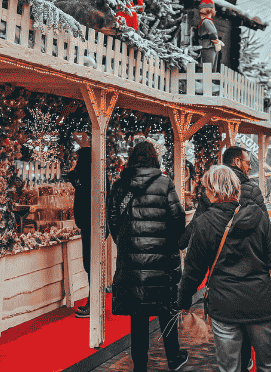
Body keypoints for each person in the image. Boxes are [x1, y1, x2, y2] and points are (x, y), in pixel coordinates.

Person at [178, 166, 271, 372]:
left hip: (224, 305)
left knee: (229, 368)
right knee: (266, 367)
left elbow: (193, 271)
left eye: (205, 189)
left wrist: (184, 302)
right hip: (260, 302)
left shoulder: (204, 223)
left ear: (212, 190)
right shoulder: (257, 216)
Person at [106, 138, 188, 372]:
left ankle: (139, 365)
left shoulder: (120, 186)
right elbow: (178, 220)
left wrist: (126, 243)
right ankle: (173, 357)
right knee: (166, 308)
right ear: (155, 158)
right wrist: (168, 242)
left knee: (138, 316)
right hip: (161, 261)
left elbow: (113, 220)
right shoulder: (164, 184)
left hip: (131, 262)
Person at [67, 147, 93, 317]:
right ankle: (94, 301)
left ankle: (92, 304)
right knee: (92, 264)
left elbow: (71, 176)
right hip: (94, 224)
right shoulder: (96, 173)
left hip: (89, 223)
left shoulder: (83, 175)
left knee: (90, 264)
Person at [195, 0, 224, 71]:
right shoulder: (207, 21)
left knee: (207, 66)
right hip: (207, 46)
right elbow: (212, 33)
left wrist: (216, 42)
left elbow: (212, 33)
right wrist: (217, 42)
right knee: (208, 66)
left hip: (207, 46)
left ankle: (205, 81)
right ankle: (205, 81)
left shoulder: (205, 21)